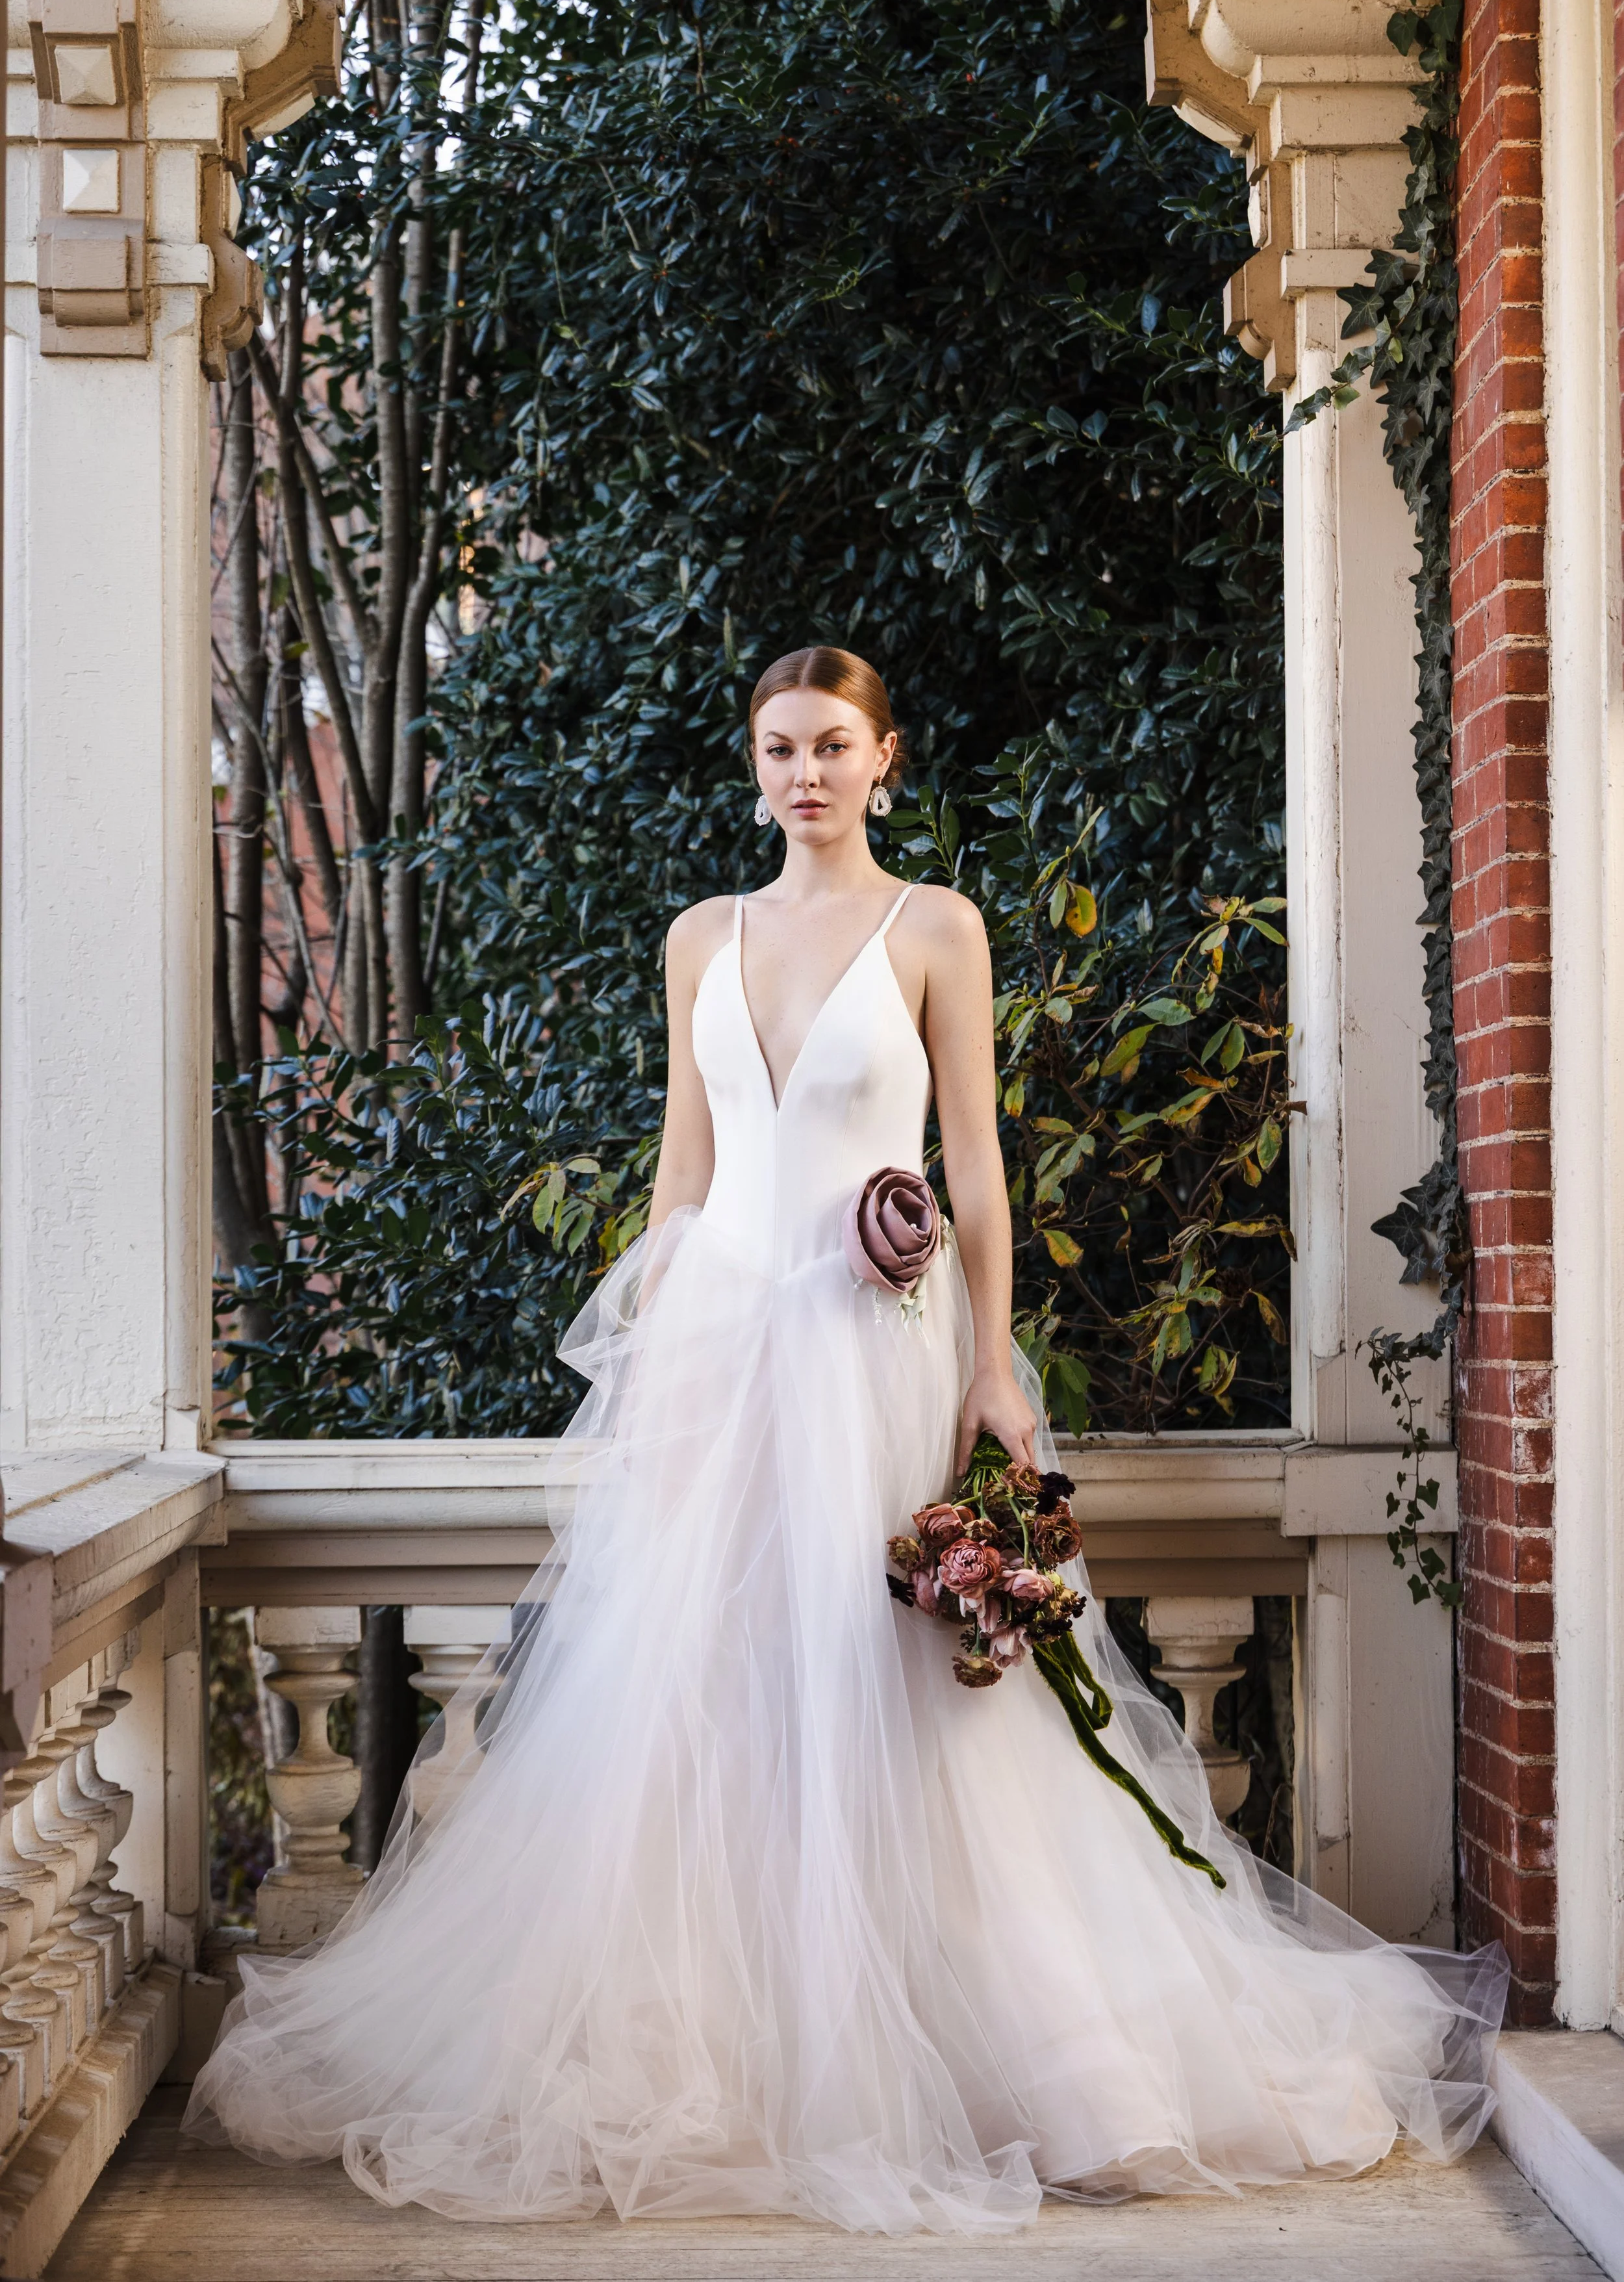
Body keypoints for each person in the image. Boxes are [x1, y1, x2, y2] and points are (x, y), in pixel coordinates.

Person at [185, 645, 1506, 2231]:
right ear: (752, 764)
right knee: (710, 1701)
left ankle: (1010, 2060)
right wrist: (654, 1360)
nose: (800, 773)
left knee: (910, 1703)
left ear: (883, 760)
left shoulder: (934, 925)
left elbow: (975, 1162)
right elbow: (683, 1173)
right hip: (730, 1358)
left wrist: (990, 1371)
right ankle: (726, 2053)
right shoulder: (699, 938)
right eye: (774, 748)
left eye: (829, 745)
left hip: (878, 1356)